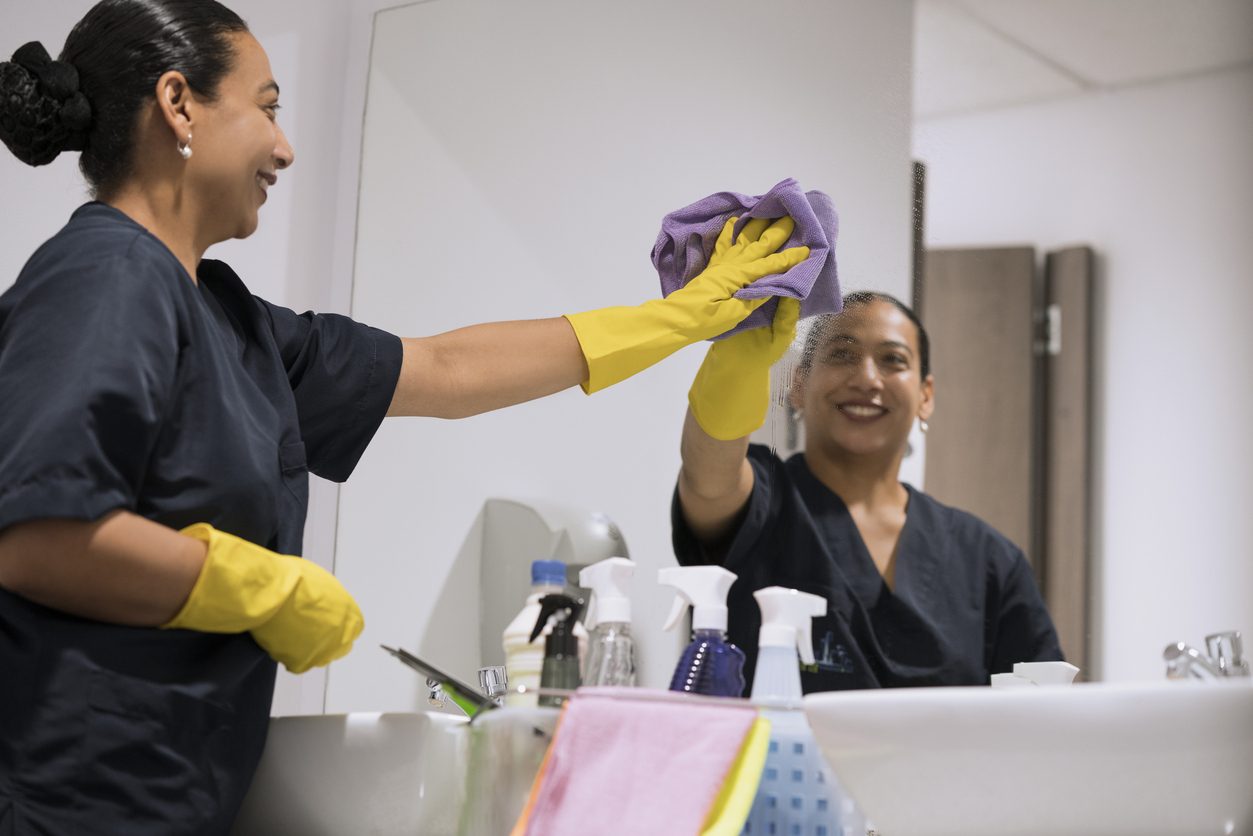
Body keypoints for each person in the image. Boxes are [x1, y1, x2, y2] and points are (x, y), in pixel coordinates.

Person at [0, 2, 809, 832]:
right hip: (62, 802)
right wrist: (254, 586)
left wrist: (679, 319)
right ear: (178, 104)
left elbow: (446, 370)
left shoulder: (225, 316)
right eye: (267, 108)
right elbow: (36, 537)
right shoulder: (105, 274)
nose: (284, 147)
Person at [672, 289, 1063, 695]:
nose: (867, 378)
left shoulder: (988, 559)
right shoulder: (759, 501)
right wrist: (739, 351)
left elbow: (1042, 706)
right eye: (842, 354)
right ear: (799, 384)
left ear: (925, 395)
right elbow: (707, 474)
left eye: (893, 360)